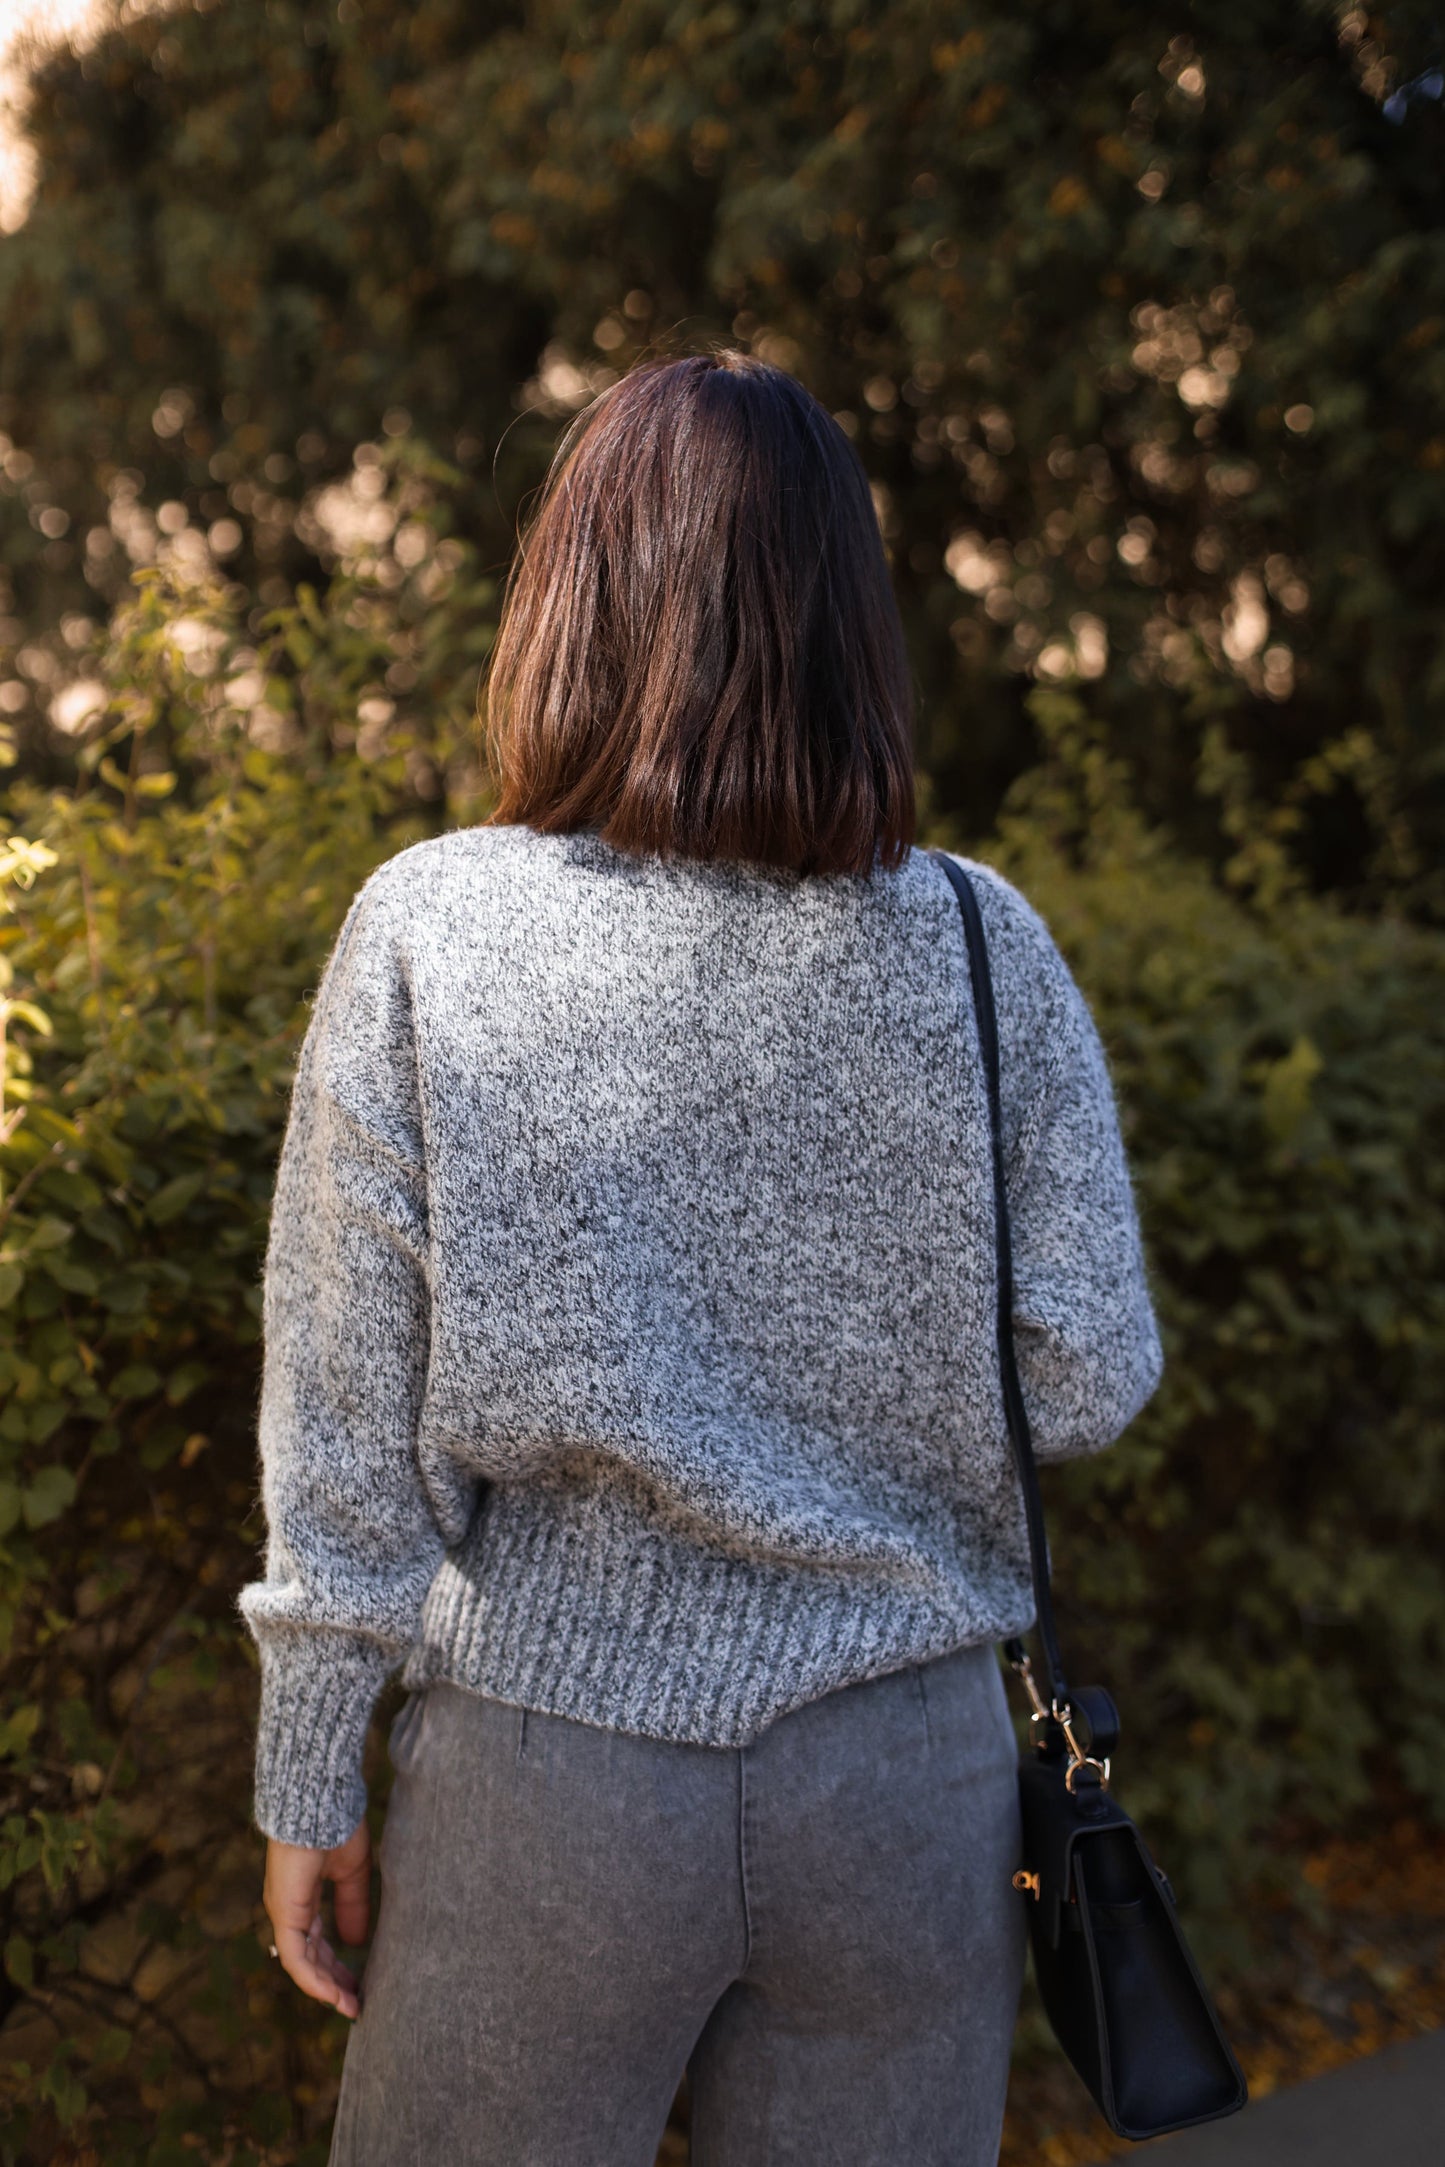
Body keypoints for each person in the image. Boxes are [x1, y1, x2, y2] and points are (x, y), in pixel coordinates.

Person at [241, 346, 1163, 2166]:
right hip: (904, 1789)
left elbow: (347, 1430)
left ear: (570, 599)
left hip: (547, 1780)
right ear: (847, 623)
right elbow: (1086, 1374)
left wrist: (307, 1767)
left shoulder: (436, 924)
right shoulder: (979, 939)